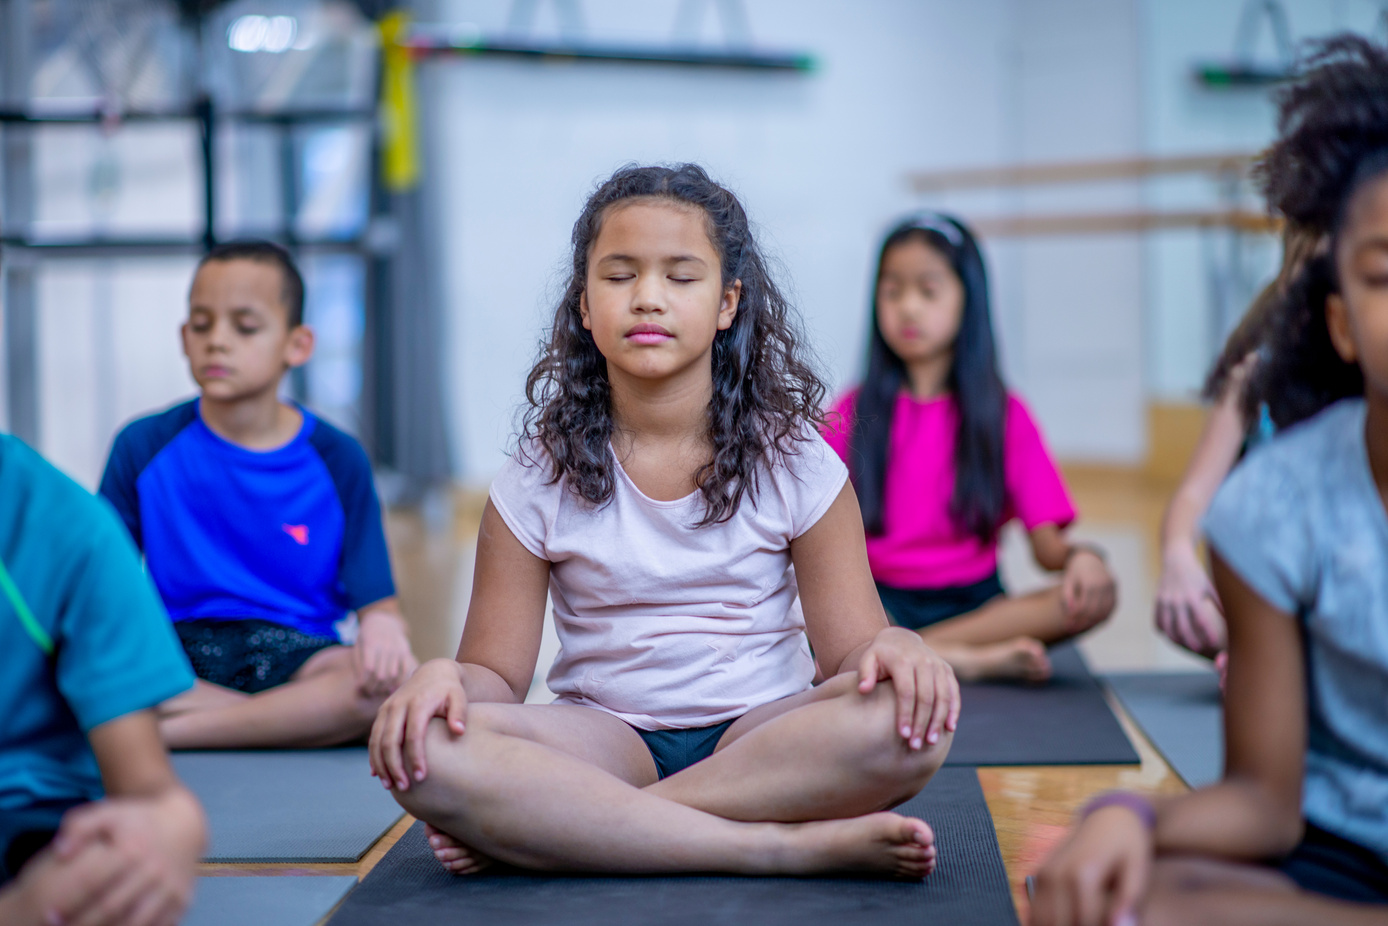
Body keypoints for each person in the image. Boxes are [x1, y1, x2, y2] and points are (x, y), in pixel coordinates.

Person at [369, 164, 960, 879]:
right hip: (605, 737)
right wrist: (445, 680)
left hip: (761, 735)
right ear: (584, 304)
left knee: (908, 717)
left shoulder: (798, 458)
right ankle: (772, 845)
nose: (648, 297)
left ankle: (587, 826)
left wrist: (898, 649)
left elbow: (850, 655)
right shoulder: (534, 475)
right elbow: (493, 675)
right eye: (619, 276)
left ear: (726, 303)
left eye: (681, 277)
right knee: (425, 745)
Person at [1032, 35, 1388, 925]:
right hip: (1339, 852)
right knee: (1115, 897)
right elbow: (1265, 802)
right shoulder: (1273, 505)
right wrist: (1126, 814)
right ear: (1340, 321)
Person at [99, 240, 417, 749]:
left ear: (298, 345)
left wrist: (385, 631)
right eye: (202, 325)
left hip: (299, 655)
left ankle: (174, 734)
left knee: (388, 686)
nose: (217, 341)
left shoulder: (338, 458)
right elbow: (101, 588)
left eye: (244, 327)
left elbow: (378, 606)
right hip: (176, 656)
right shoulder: (142, 445)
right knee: (72, 666)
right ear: (184, 338)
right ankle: (282, 722)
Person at [822, 215, 1116, 683]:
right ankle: (956, 659)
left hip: (978, 606)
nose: (908, 308)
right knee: (806, 629)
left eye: (928, 290)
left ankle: (917, 655)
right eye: (893, 291)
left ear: (967, 300)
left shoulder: (1005, 414)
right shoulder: (853, 410)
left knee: (1089, 597)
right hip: (880, 604)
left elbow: (1047, 549)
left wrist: (1086, 558)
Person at [0, 434, 205, 926]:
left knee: (100, 868)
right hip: (197, 663)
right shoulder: (144, 445)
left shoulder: (65, 526)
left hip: (25, 824)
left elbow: (151, 795)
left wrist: (171, 827)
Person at [1153, 226, 1319, 662]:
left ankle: (1271, 663)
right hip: (1265, 594)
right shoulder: (1253, 380)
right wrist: (1178, 557)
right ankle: (1267, 658)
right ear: (1290, 281)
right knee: (1197, 615)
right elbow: (1193, 495)